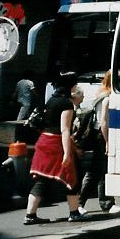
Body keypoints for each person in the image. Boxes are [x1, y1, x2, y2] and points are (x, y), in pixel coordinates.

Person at [24, 78, 85, 225]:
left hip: (43, 141)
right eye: (74, 84)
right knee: (71, 178)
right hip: (56, 144)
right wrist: (67, 152)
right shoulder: (66, 103)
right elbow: (65, 129)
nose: (75, 86)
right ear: (69, 87)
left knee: (42, 181)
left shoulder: (51, 100)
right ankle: (74, 213)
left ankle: (30, 215)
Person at [78, 71, 120, 215]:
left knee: (97, 171)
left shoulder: (99, 92)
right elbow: (103, 122)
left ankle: (83, 203)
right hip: (102, 136)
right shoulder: (108, 97)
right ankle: (104, 203)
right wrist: (108, 141)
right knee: (101, 170)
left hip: (97, 135)